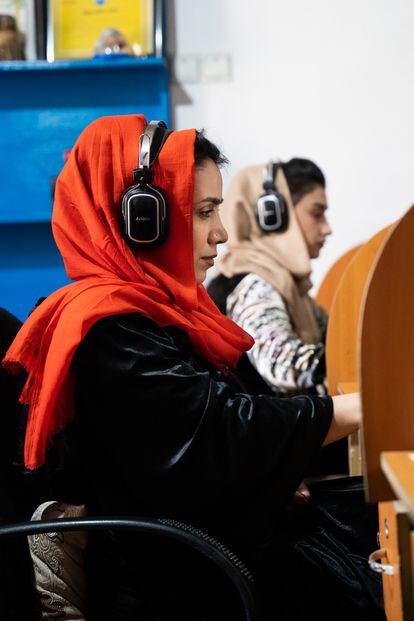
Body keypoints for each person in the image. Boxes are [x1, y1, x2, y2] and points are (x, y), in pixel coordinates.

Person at [3, 115, 383, 620]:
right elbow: (222, 433)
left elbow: (236, 418)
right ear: (143, 219)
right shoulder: (107, 330)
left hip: (220, 549)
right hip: (189, 584)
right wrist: (370, 406)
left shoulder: (161, 314)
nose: (221, 233)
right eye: (203, 212)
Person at [208, 159, 332, 398]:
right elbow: (282, 365)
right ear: (273, 216)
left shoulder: (291, 287)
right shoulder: (253, 285)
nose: (327, 228)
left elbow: (333, 333)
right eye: (317, 214)